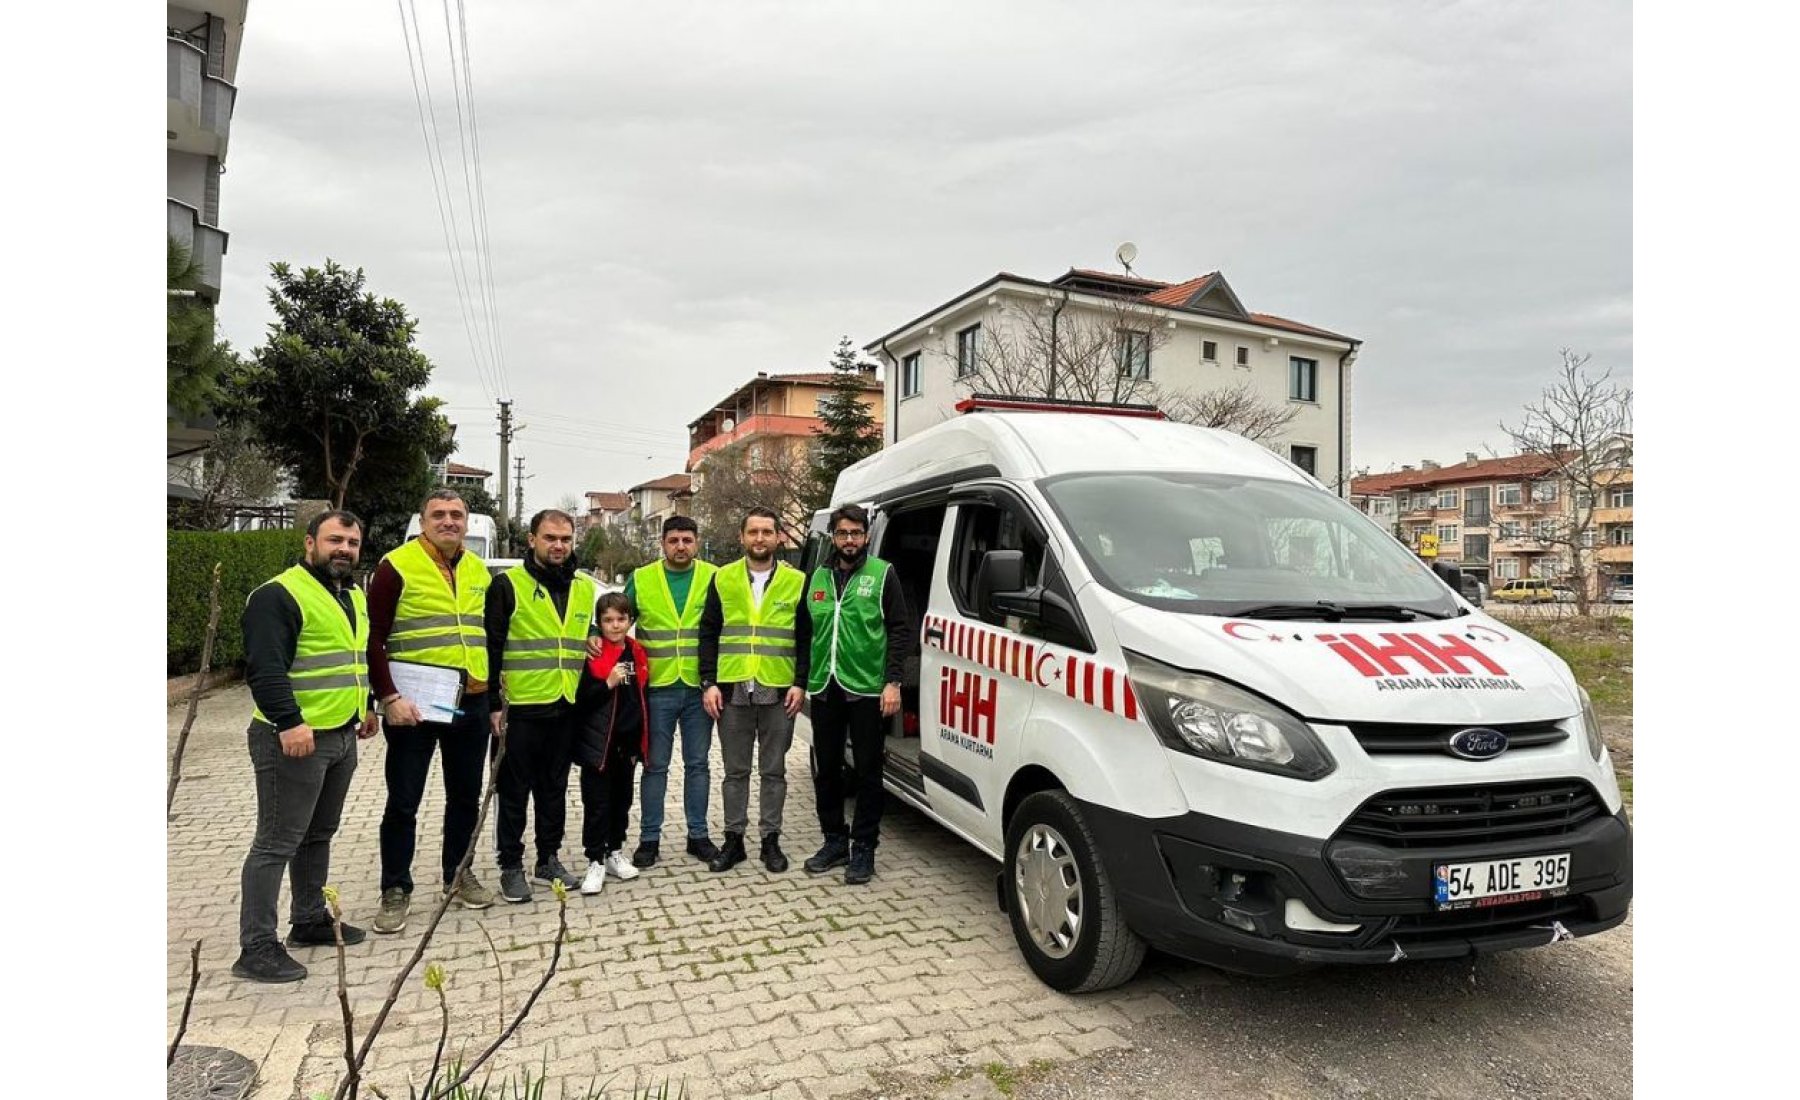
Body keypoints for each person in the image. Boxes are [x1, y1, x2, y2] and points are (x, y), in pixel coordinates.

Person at [234, 510, 380, 983]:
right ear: (309, 543)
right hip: (293, 739)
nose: (344, 549)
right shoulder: (278, 595)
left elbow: (354, 659)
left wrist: (368, 705)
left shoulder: (351, 594)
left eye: (352, 543)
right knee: (276, 842)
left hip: (340, 733)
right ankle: (256, 947)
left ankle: (310, 918)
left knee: (319, 834)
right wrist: (289, 721)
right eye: (335, 540)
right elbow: (265, 668)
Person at [368, 488, 497, 934]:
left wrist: (494, 701)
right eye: (439, 515)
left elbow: (489, 636)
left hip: (471, 702)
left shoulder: (479, 570)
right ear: (422, 522)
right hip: (414, 707)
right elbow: (374, 638)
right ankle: (395, 888)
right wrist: (386, 698)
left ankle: (457, 875)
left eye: (456, 515)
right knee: (404, 800)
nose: (449, 521)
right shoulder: (395, 567)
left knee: (465, 798)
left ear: (466, 521)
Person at [797, 504, 912, 885]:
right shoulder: (816, 577)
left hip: (866, 689)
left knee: (868, 772)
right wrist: (800, 681)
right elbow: (803, 634)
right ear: (833, 535)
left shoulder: (883, 575)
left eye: (856, 533)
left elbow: (899, 629)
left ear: (866, 536)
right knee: (827, 769)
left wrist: (893, 681)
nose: (850, 540)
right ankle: (833, 841)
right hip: (824, 688)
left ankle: (864, 848)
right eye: (843, 533)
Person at [485, 509, 593, 904]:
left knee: (554, 789)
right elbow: (491, 648)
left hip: (565, 706)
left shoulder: (582, 588)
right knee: (513, 792)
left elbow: (585, 635)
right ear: (532, 540)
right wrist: (493, 706)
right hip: (520, 709)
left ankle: (547, 858)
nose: (559, 545)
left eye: (565, 539)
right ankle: (510, 865)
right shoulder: (507, 586)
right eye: (550, 538)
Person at [698, 508, 808, 874]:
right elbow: (709, 632)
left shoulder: (797, 581)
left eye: (767, 532)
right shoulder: (722, 579)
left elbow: (807, 638)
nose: (760, 539)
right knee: (735, 772)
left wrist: (800, 683)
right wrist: (709, 682)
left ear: (779, 538)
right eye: (753, 532)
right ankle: (734, 840)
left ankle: (770, 840)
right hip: (733, 692)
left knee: (774, 771)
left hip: (778, 692)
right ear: (742, 537)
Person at [621, 516, 720, 867]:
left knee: (698, 765)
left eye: (687, 540)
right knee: (655, 767)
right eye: (674, 540)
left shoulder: (714, 576)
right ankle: (649, 839)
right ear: (662, 543)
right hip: (657, 690)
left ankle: (698, 835)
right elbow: (618, 619)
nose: (681, 546)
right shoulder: (643, 578)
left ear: (697, 542)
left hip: (699, 690)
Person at [572, 592, 651, 894]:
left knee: (622, 801)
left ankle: (614, 851)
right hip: (599, 746)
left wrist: (642, 740)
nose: (615, 625)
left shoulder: (637, 651)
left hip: (627, 745)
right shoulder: (593, 654)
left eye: (621, 619)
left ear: (630, 621)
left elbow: (641, 698)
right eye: (608, 620)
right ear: (599, 623)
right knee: (597, 804)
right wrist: (607, 684)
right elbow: (582, 701)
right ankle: (595, 860)